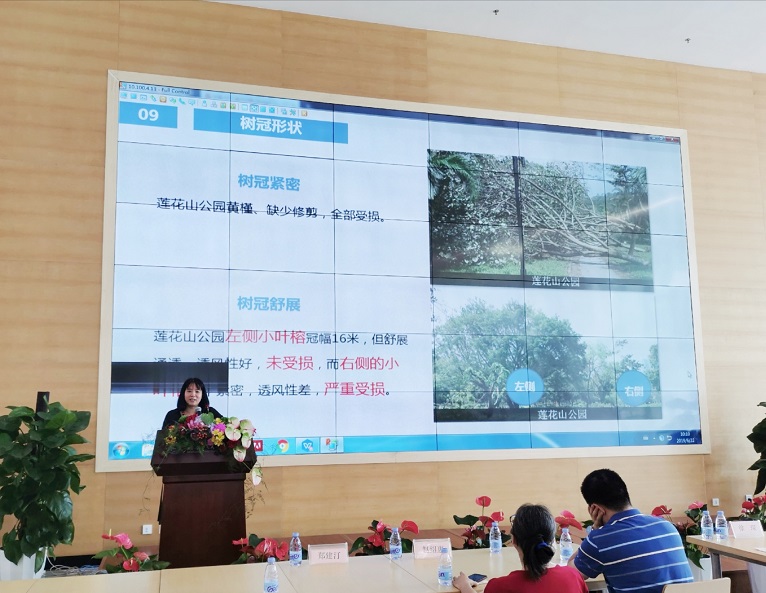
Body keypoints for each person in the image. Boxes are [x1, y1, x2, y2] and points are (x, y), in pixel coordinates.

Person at [573, 468, 693, 593]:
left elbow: (570, 575)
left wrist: (594, 530)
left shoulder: (601, 539)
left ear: (595, 508)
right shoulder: (667, 526)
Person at [453, 504, 588, 593]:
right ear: (553, 539)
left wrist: (465, 586)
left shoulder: (500, 587)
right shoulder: (573, 577)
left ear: (513, 540)